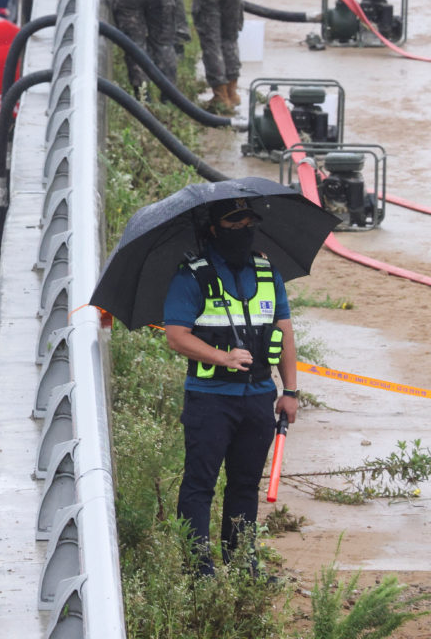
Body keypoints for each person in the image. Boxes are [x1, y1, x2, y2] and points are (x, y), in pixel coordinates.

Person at [163, 197, 299, 577]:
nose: (242, 232)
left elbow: (285, 332)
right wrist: (222, 357)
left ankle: (242, 566)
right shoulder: (191, 276)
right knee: (199, 484)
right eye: (233, 225)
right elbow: (176, 336)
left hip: (258, 398)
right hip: (210, 400)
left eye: (248, 225)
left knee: (243, 485)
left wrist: (290, 391)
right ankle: (197, 568)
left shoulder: (268, 273)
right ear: (213, 230)